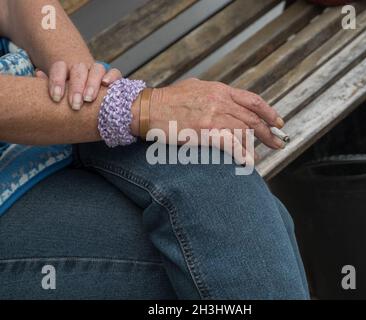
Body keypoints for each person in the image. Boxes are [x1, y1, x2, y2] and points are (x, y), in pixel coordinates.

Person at [0, 0, 309, 299]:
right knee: (234, 256)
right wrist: (135, 107)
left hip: (49, 117)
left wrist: (78, 80)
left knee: (219, 178)